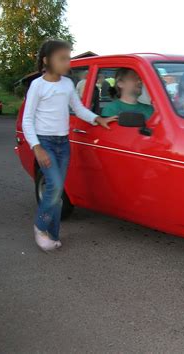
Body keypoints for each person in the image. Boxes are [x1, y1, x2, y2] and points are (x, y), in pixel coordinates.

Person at [22, 39, 117, 251]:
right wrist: (36, 147)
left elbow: (79, 108)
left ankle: (53, 235)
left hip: (63, 143)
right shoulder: (38, 86)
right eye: (62, 58)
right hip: (44, 142)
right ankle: (40, 226)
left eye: (69, 58)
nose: (68, 63)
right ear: (47, 61)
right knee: (54, 187)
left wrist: (97, 119)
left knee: (57, 190)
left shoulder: (67, 84)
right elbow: (28, 119)